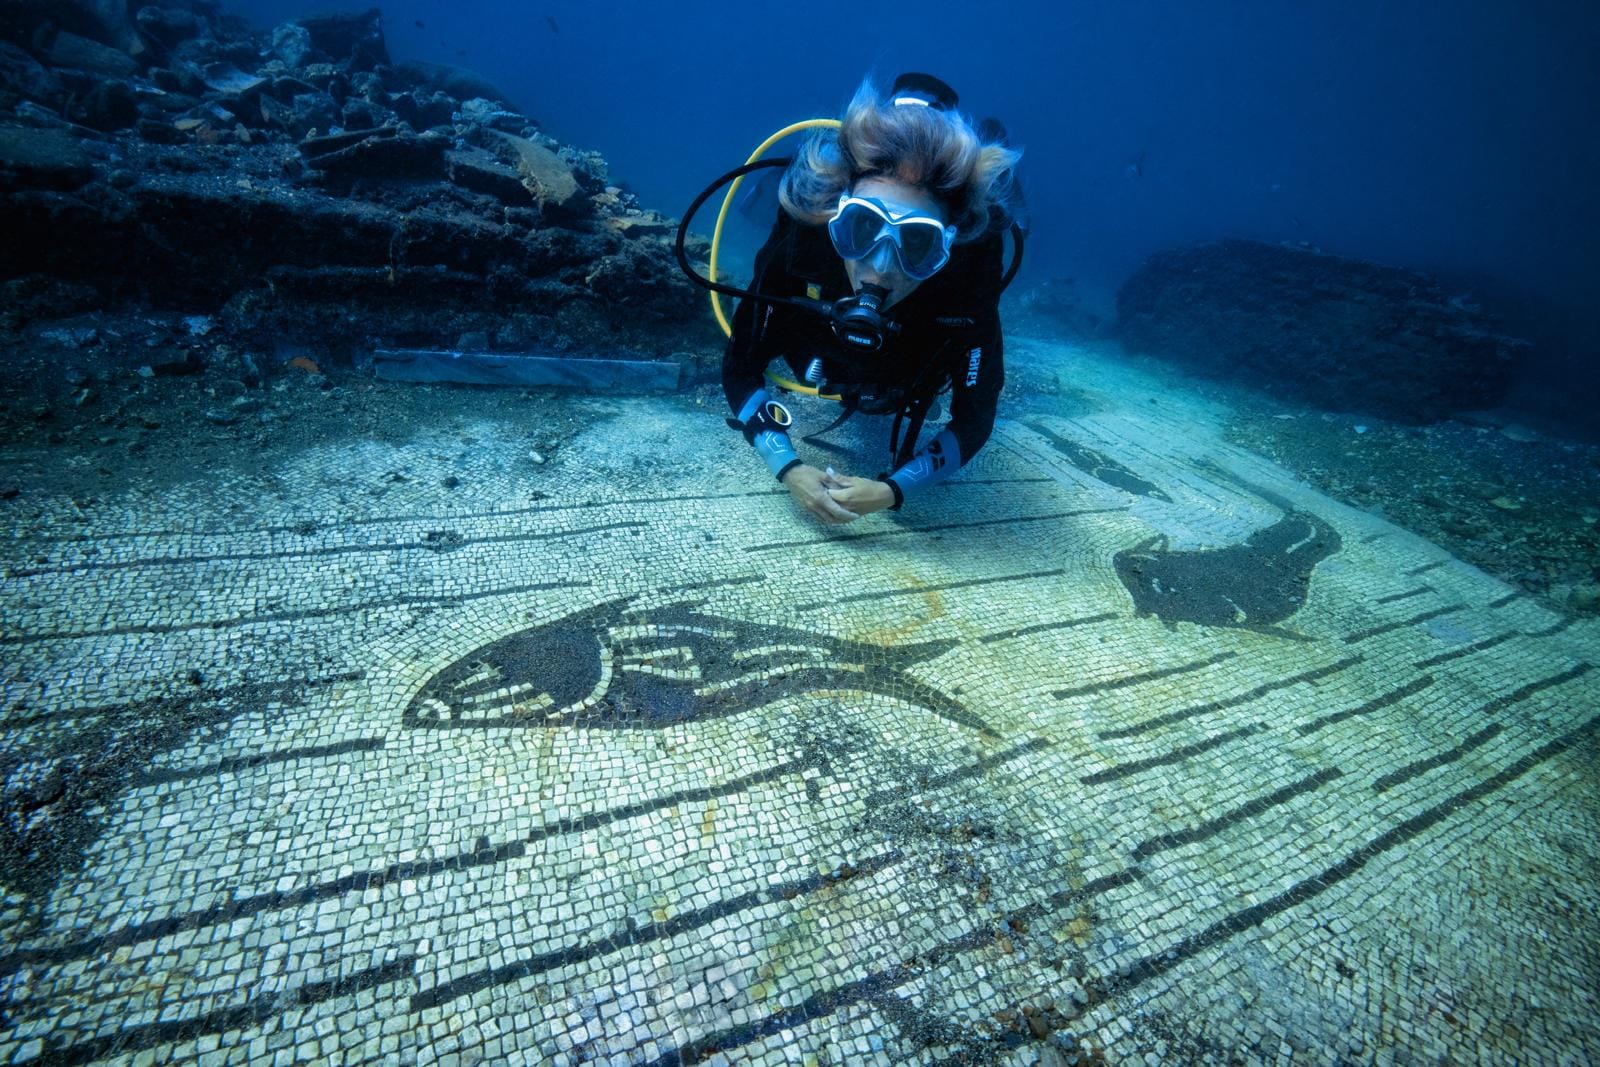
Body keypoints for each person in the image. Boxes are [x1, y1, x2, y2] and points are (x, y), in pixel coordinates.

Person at [721, 73, 1025, 524]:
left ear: (949, 245)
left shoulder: (970, 270)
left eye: (917, 244)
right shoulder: (805, 234)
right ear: (835, 216)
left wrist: (893, 490)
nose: (881, 268)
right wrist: (788, 467)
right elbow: (740, 364)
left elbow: (975, 416)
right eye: (862, 228)